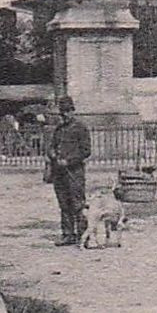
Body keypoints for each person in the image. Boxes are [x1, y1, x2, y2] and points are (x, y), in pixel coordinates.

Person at [45, 95, 91, 245]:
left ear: (73, 111)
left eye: (67, 111)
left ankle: (83, 234)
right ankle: (67, 234)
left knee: (78, 204)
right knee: (63, 204)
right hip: (59, 172)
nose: (64, 114)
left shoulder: (80, 128)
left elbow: (86, 151)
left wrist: (69, 161)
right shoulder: (59, 129)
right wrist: (52, 154)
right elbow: (52, 146)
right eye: (62, 112)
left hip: (74, 172)